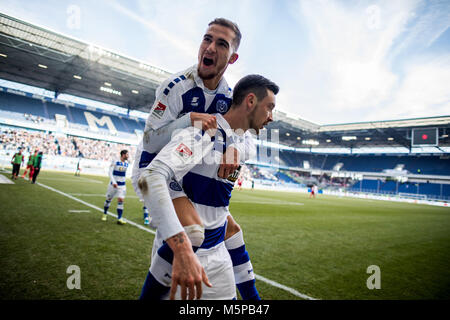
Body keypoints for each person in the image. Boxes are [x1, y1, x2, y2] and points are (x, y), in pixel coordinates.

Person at [131, 18, 258, 299]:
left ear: (232, 57)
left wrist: (237, 148)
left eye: (221, 43)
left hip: (189, 180)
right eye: (207, 39)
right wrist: (187, 120)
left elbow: (248, 137)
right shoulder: (176, 87)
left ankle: (250, 297)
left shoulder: (229, 96)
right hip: (154, 173)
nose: (210, 47)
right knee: (192, 231)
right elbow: (149, 140)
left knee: (230, 228)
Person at [139, 74, 279, 300]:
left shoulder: (243, 144)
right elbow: (153, 176)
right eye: (270, 108)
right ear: (250, 101)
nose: (272, 117)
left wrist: (234, 147)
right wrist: (181, 246)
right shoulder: (203, 131)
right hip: (185, 257)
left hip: (219, 257)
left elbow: (246, 147)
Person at [102, 150, 129, 225]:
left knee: (121, 200)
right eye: (127, 154)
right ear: (123, 155)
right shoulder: (115, 161)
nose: (128, 156)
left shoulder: (127, 163)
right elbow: (110, 172)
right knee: (108, 199)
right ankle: (105, 213)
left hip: (122, 185)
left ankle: (119, 218)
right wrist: (114, 182)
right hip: (113, 185)